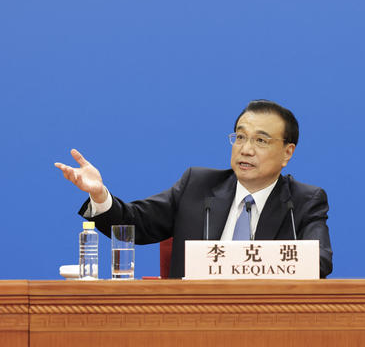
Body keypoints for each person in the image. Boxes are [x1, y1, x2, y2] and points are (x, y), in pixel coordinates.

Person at [55, 100, 332, 278]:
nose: (246, 149)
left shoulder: (303, 201)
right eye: (240, 137)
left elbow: (319, 262)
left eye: (260, 140)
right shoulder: (197, 186)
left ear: (287, 152)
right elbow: (133, 224)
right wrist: (100, 195)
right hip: (189, 326)